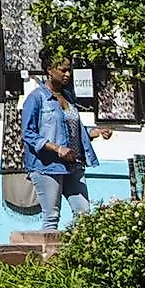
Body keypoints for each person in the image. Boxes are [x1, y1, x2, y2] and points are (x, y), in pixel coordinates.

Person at [21, 55, 98, 229]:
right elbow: (28, 133)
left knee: (84, 216)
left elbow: (70, 129)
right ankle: (48, 256)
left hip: (73, 165)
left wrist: (95, 132)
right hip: (47, 167)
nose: (67, 74)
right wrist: (57, 149)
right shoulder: (36, 98)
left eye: (69, 69)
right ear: (49, 70)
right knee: (51, 217)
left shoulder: (68, 97)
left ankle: (78, 255)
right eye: (63, 70)